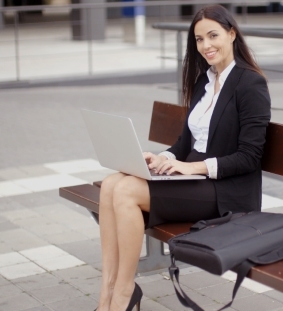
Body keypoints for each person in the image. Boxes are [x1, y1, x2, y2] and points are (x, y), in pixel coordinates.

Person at [94, 4, 271, 311]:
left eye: (213, 35)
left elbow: (250, 157)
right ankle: (106, 293)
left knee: (124, 192)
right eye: (199, 39)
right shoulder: (204, 81)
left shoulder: (250, 84)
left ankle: (123, 293)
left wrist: (192, 166)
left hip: (226, 192)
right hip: (194, 180)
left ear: (231, 34)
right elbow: (184, 142)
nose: (206, 45)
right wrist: (161, 158)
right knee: (111, 183)